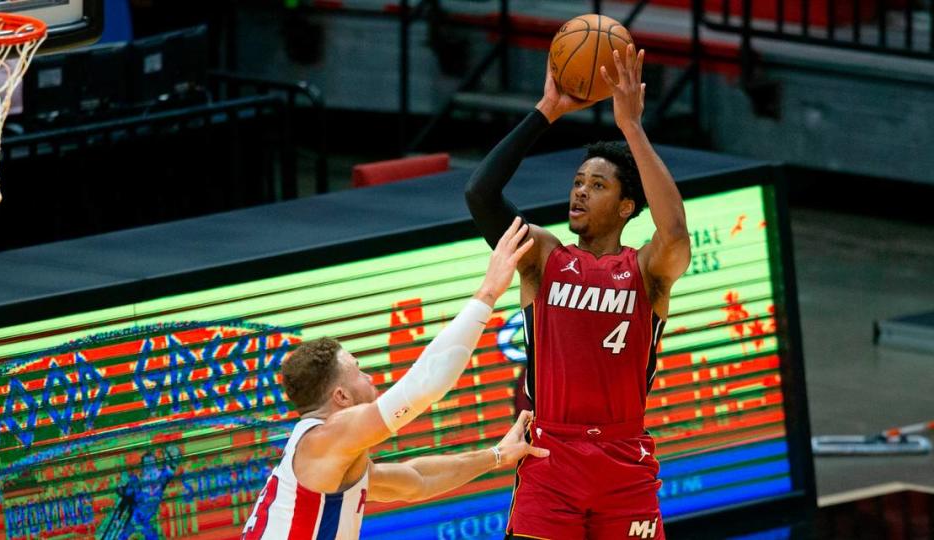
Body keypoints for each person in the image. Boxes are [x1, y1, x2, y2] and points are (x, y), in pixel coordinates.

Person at [465, 45, 691, 539]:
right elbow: (480, 194)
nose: (580, 191)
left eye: (597, 185)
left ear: (628, 205)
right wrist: (545, 112)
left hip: (623, 460)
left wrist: (632, 126)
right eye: (578, 181)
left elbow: (674, 231)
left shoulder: (648, 269)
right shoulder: (543, 257)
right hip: (551, 457)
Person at [241, 218, 549, 539]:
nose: (369, 376)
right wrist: (488, 292)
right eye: (358, 370)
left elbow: (419, 480)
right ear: (341, 397)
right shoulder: (327, 438)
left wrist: (497, 455)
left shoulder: (336, 461)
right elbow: (423, 386)